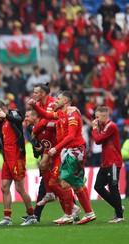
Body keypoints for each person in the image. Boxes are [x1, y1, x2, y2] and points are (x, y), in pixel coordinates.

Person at [29, 91, 96, 225]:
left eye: (58, 99)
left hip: (74, 151)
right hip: (69, 151)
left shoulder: (72, 114)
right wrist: (34, 106)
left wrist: (56, 148)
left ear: (66, 101)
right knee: (77, 185)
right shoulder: (61, 113)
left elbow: (71, 136)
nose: (55, 101)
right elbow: (47, 115)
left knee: (64, 182)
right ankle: (88, 213)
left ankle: (69, 213)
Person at [0, 100, 36, 226]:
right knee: (4, 187)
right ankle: (7, 218)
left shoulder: (14, 114)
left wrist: (6, 116)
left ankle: (32, 215)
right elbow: (5, 142)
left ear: (3, 109)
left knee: (19, 188)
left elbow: (20, 119)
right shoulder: (0, 124)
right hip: (7, 158)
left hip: (17, 157)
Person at [91, 106, 124, 223]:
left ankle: (119, 216)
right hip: (106, 163)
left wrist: (94, 128)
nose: (95, 120)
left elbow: (98, 140)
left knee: (113, 188)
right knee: (98, 186)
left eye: (97, 117)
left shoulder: (111, 126)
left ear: (104, 116)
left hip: (114, 162)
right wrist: (97, 127)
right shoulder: (105, 126)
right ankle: (118, 206)